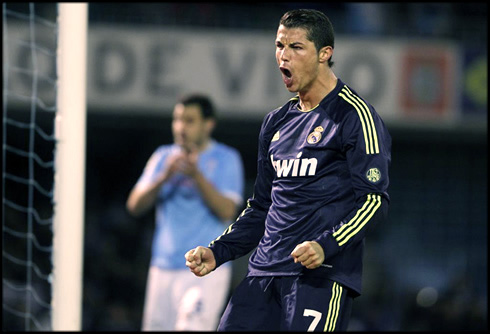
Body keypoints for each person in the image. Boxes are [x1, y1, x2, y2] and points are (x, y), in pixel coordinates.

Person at [185, 8, 391, 332]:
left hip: (320, 277)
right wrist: (218, 251)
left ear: (325, 54)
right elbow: (262, 207)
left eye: (296, 47)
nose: (284, 56)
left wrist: (326, 245)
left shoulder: (354, 116)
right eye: (280, 46)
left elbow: (374, 201)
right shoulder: (275, 122)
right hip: (263, 274)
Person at [126, 94, 245, 331]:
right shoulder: (163, 157)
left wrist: (196, 175)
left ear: (208, 124)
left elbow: (227, 210)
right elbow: (134, 205)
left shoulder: (225, 158)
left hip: (204, 268)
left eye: (189, 120)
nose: (180, 127)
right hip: (162, 266)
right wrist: (164, 177)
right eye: (177, 120)